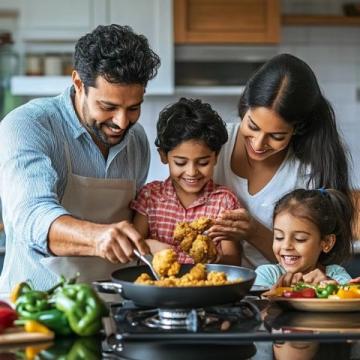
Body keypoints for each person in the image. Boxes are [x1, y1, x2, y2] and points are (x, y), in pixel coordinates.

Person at [0, 24, 161, 291]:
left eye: (133, 108)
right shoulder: (27, 125)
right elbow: (32, 217)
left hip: (114, 302)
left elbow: (137, 216)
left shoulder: (138, 140)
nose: (122, 123)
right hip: (36, 307)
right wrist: (97, 237)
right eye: (107, 107)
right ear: (78, 84)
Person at [211, 53, 353, 267]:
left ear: (297, 129)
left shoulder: (310, 171)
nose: (258, 144)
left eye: (277, 136)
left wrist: (255, 232)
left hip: (281, 295)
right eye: (252, 126)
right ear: (244, 108)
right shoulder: (214, 144)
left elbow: (315, 266)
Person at [130, 98, 242, 265]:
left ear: (216, 156)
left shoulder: (224, 202)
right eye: (180, 163)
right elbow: (132, 248)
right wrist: (149, 245)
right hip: (159, 287)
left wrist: (216, 258)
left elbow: (233, 259)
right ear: (163, 156)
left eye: (203, 162)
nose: (191, 172)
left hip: (206, 287)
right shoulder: (150, 196)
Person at [254, 188, 352, 288]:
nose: (286, 246)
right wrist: (276, 293)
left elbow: (351, 297)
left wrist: (331, 287)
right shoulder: (266, 275)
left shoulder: (336, 275)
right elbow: (256, 301)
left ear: (326, 242)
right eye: (279, 237)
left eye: (299, 239)